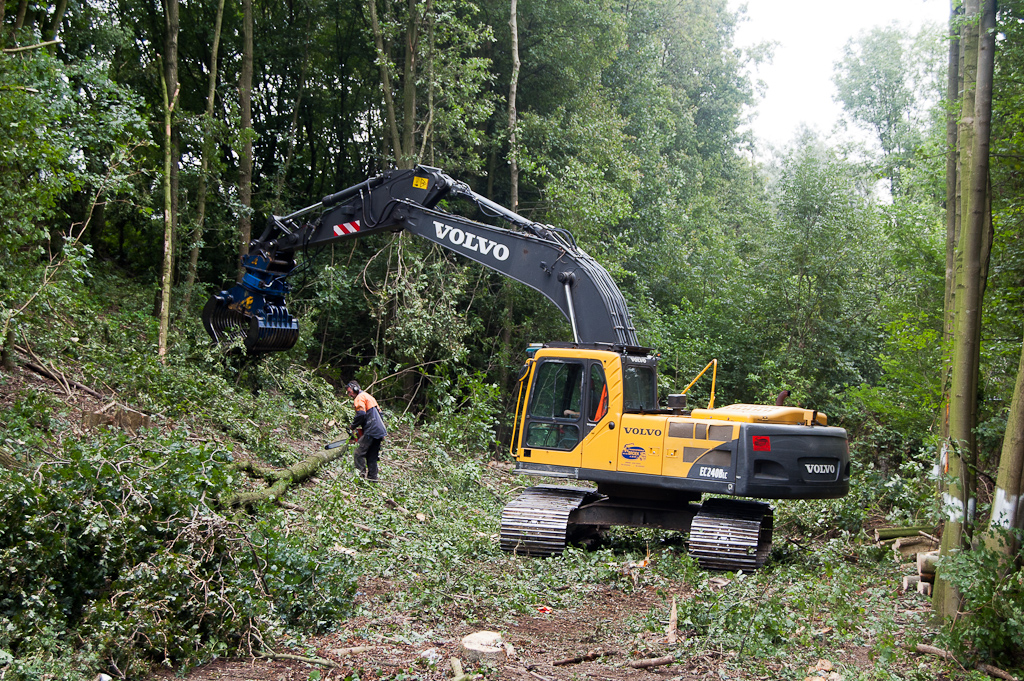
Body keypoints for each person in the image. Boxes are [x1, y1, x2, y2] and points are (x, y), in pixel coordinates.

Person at [346, 380, 387, 481]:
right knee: (372, 456)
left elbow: (361, 414)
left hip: (371, 430)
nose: (349, 395)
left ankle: (360, 477)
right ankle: (372, 479)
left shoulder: (359, 398)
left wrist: (352, 426)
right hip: (378, 430)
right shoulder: (369, 397)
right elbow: (380, 414)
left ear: (355, 389)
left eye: (349, 392)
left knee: (358, 453)